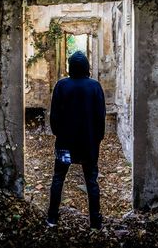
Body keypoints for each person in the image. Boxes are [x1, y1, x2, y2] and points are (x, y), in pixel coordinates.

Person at [47, 51, 106, 230]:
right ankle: (95, 222)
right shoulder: (95, 87)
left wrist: (59, 134)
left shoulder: (61, 86)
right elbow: (100, 117)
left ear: (70, 66)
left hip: (65, 144)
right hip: (88, 145)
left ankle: (52, 218)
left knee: (58, 178)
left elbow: (54, 116)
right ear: (87, 67)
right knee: (91, 181)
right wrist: (97, 139)